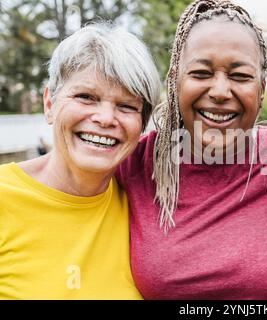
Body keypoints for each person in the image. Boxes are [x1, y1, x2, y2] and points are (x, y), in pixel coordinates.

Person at [117, 0, 267, 299]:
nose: (220, 92)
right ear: (175, 81)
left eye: (240, 76)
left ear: (261, 89)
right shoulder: (133, 164)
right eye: (201, 73)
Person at [0, 23, 160, 299]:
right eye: (86, 97)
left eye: (126, 106)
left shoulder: (147, 203)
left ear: (141, 124)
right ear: (50, 104)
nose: (106, 118)